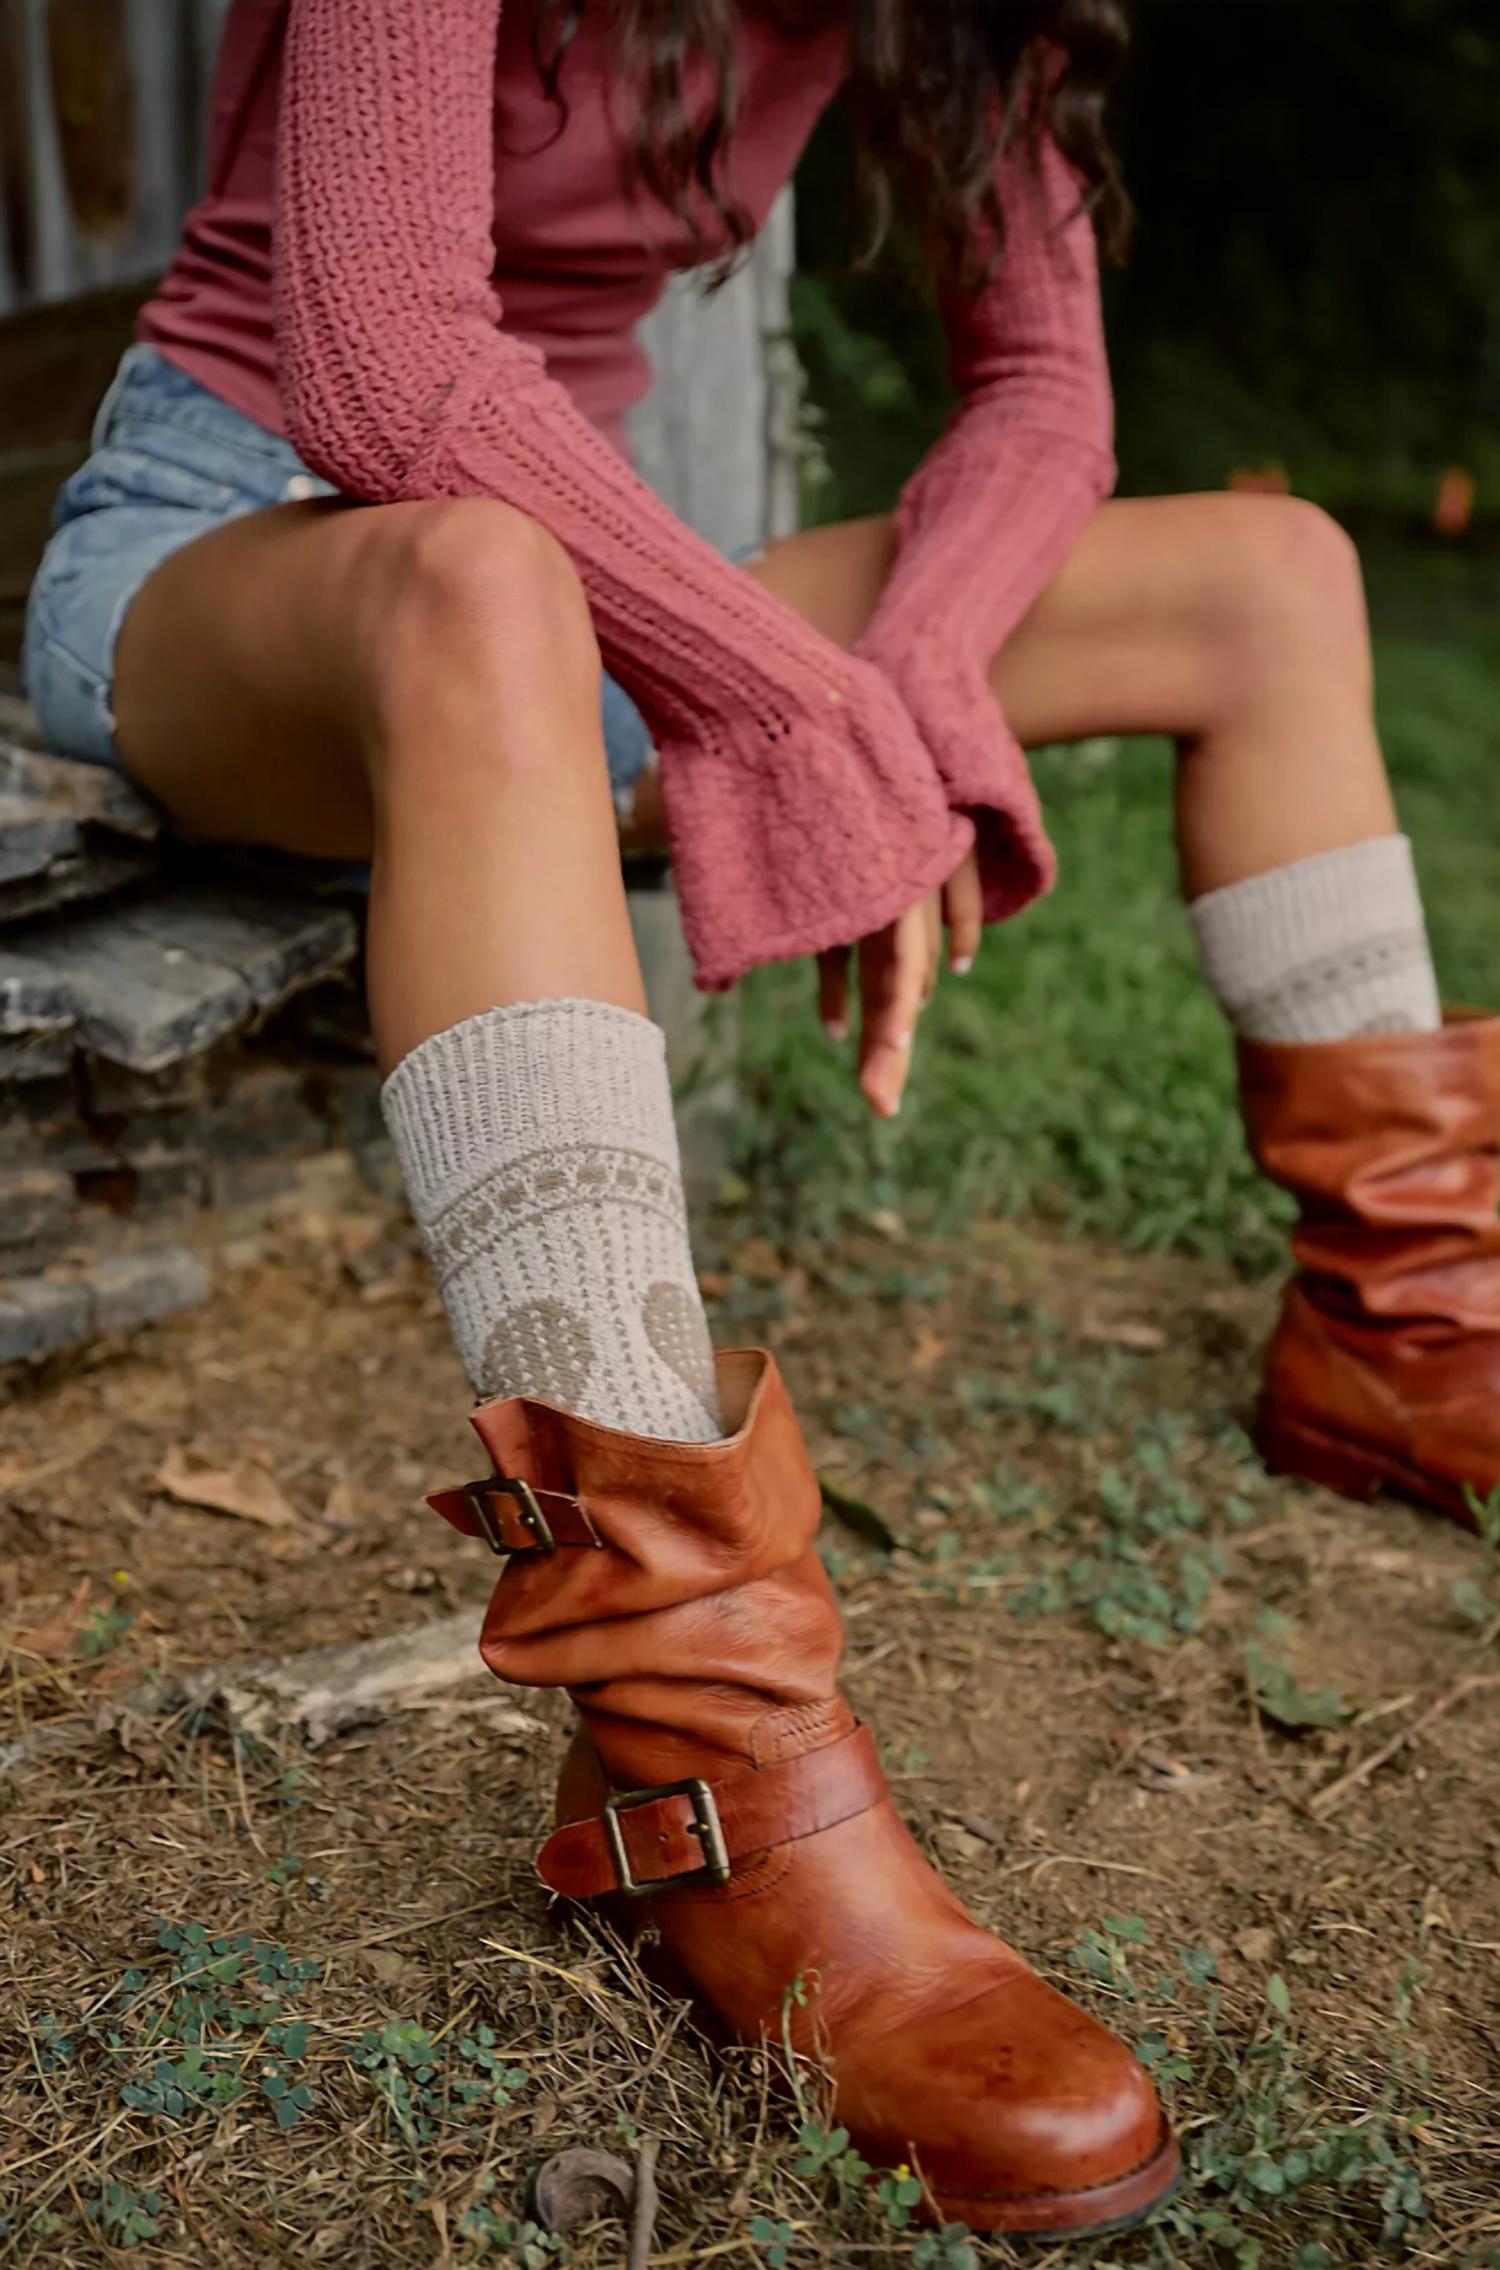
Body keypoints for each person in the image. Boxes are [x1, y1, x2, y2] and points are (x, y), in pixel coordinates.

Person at [23, 0, 1495, 2237]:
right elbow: (384, 361)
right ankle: (693, 1750)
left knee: (1269, 581)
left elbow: (1045, 399)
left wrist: (904, 679)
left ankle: (1411, 1317)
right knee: (482, 579)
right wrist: (796, 704)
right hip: (239, 550)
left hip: (598, 601)